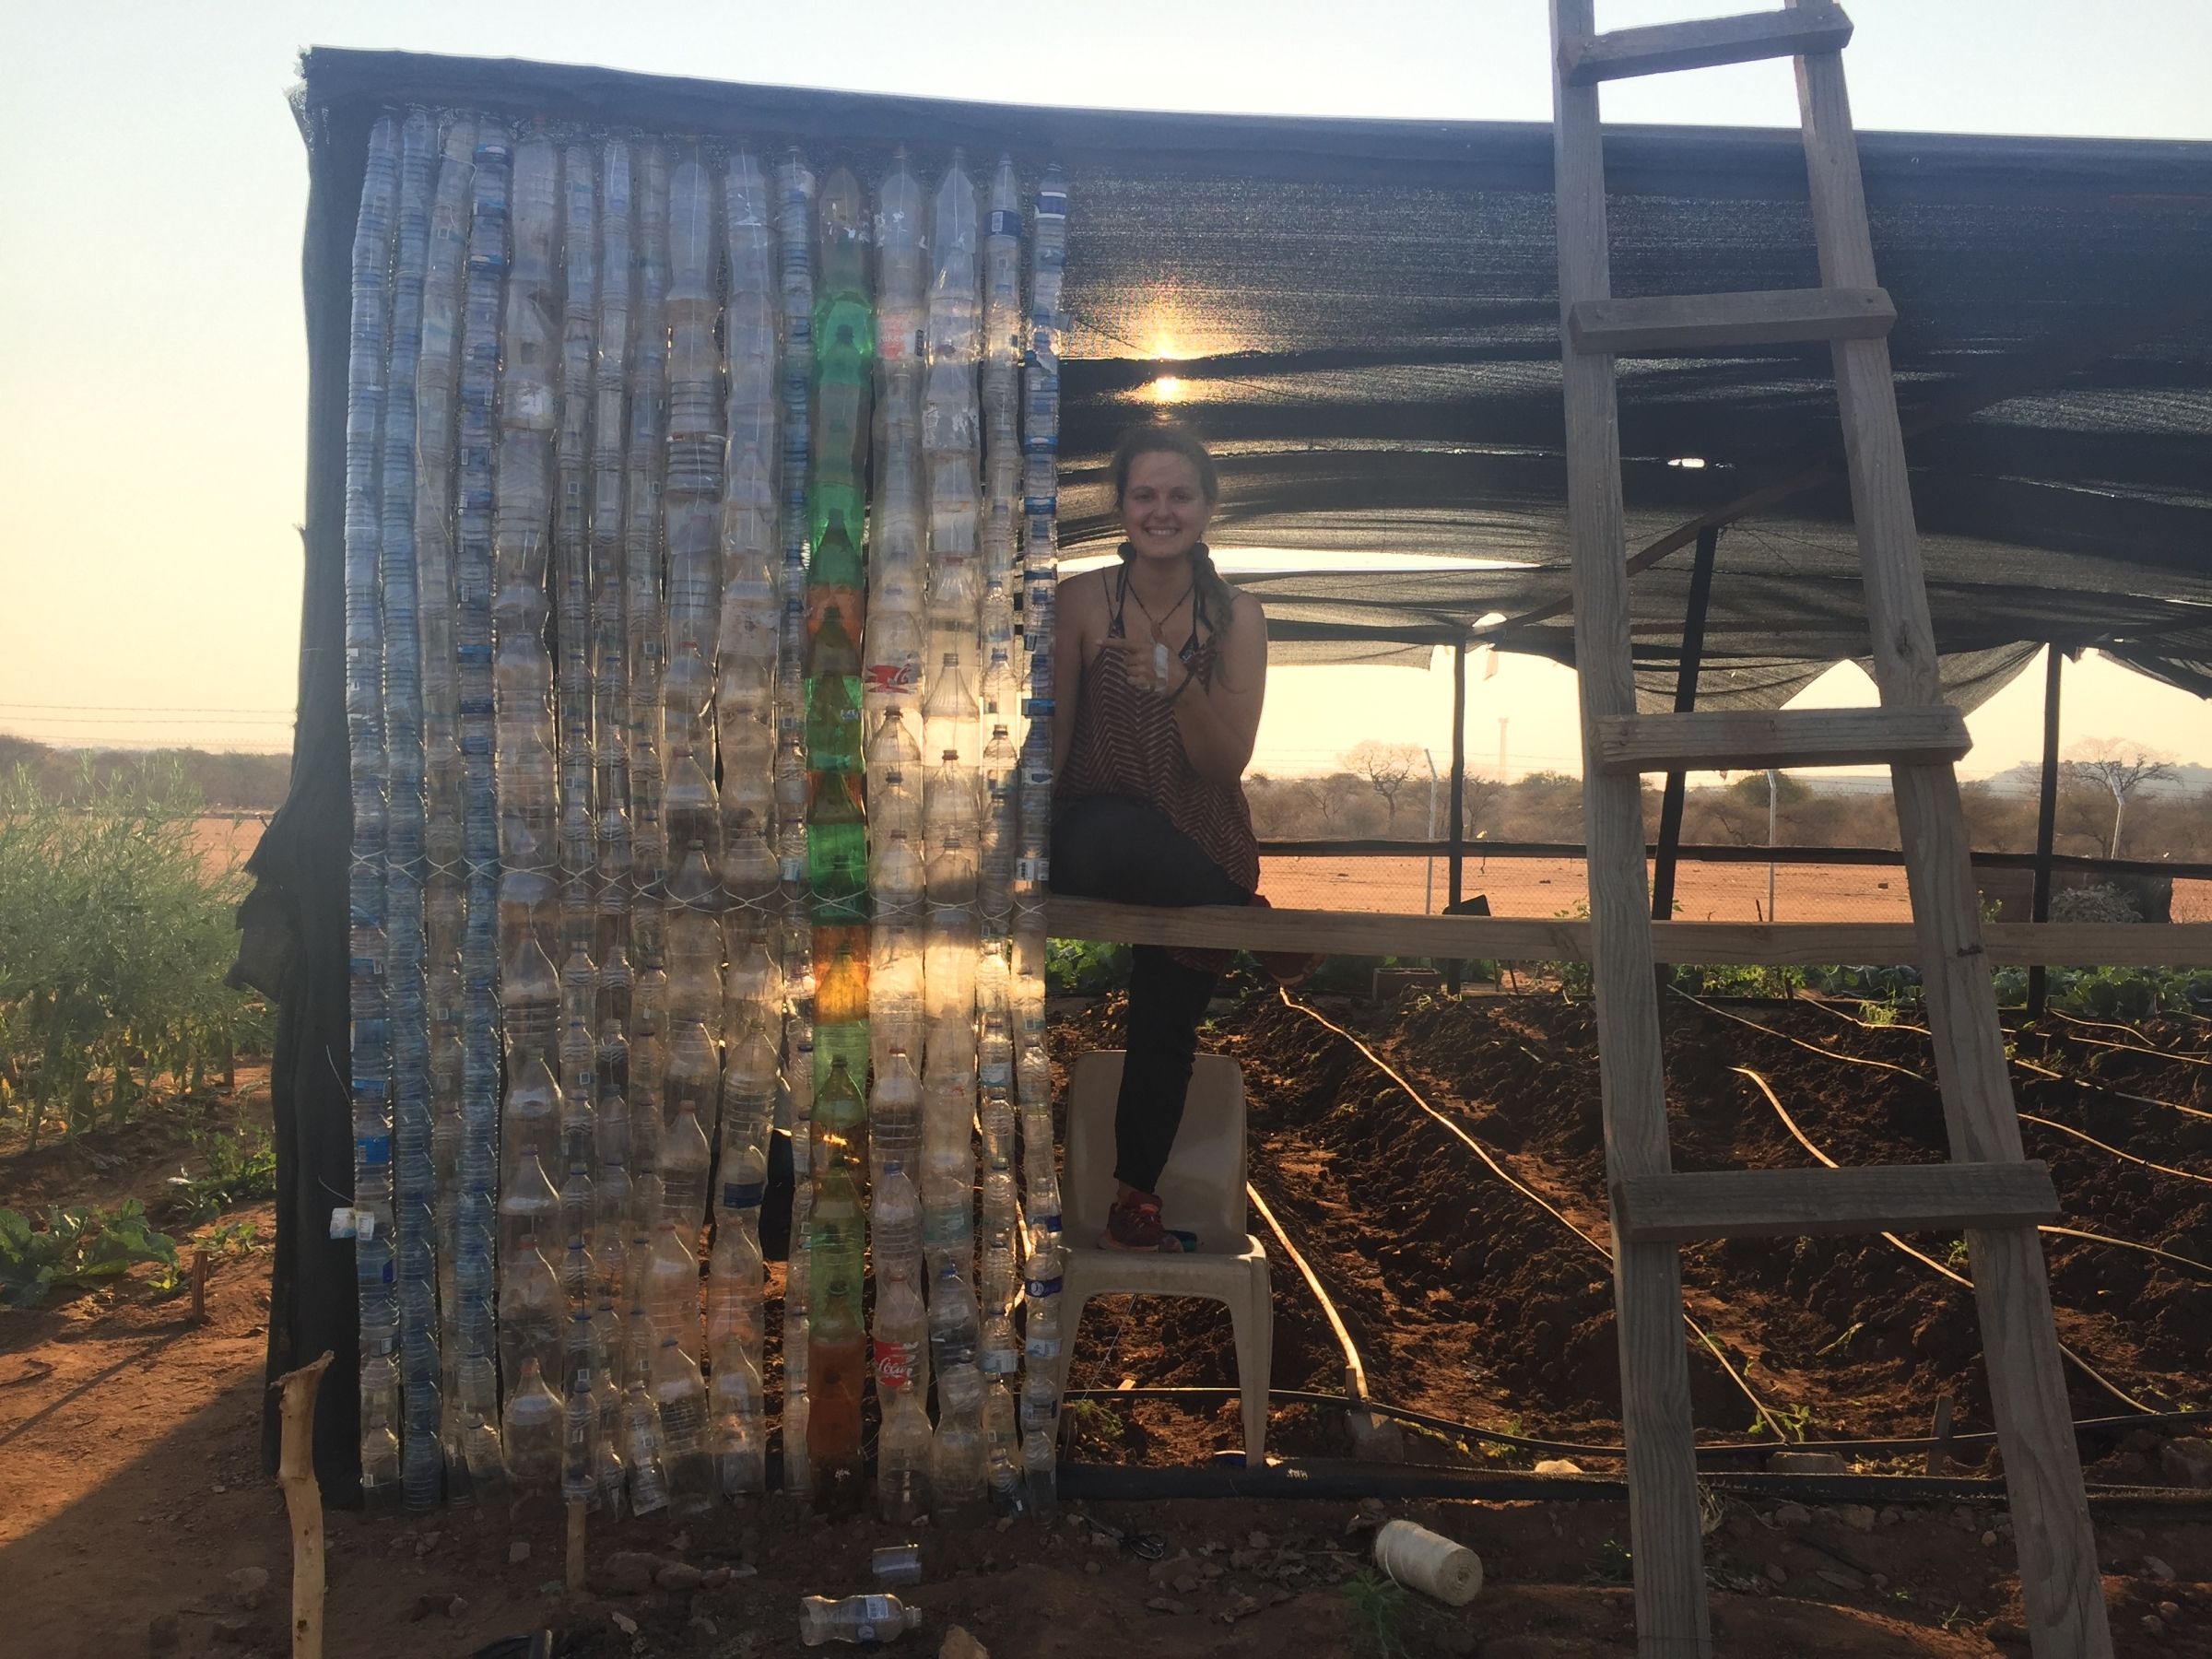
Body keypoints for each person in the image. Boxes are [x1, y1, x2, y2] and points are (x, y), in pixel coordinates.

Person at [1049, 422, 1301, 1252]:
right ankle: (1242, 916)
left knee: (1168, 1014)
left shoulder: (1239, 617)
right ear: (1120, 506)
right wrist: (1018, 851)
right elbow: (1055, 743)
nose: (1161, 511)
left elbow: (1227, 763)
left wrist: (1180, 687)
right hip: (1100, 827)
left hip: (1197, 837)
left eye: (1179, 495)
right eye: (1144, 495)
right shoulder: (1084, 601)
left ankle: (1136, 1192)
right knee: (1115, 834)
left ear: (1209, 506)